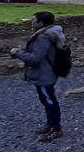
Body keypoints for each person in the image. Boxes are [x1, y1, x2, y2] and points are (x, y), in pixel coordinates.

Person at [10, 11, 66, 142]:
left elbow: (35, 59)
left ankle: (56, 129)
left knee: (49, 101)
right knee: (46, 100)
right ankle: (50, 124)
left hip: (45, 74)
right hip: (46, 72)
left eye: (33, 20)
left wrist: (17, 53)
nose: (31, 22)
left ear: (41, 22)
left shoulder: (43, 37)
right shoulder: (51, 33)